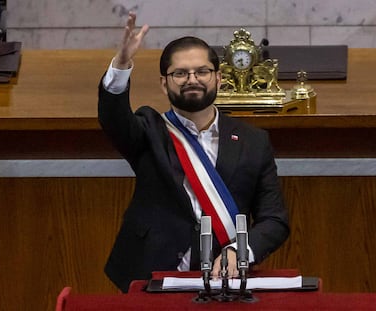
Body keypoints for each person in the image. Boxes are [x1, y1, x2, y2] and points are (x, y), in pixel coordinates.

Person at [98, 12, 289, 292]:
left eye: (202, 71)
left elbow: (274, 220)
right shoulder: (148, 129)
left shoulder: (253, 141)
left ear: (219, 78)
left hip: (226, 279)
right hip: (151, 276)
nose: (192, 79)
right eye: (180, 73)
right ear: (164, 83)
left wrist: (240, 251)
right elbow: (114, 118)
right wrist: (122, 64)